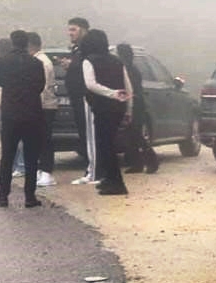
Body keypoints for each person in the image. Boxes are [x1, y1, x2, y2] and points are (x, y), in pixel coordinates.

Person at [0, 30, 46, 208]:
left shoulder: (3, 61)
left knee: (7, 155)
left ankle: (3, 195)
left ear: (12, 42)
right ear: (26, 43)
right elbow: (40, 86)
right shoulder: (36, 63)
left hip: (10, 114)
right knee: (31, 157)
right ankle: (30, 197)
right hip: (32, 114)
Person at [81, 29, 131, 196]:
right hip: (118, 107)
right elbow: (128, 85)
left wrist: (111, 93)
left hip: (102, 106)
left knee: (105, 145)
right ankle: (108, 179)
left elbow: (90, 84)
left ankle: (116, 183)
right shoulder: (117, 61)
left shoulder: (88, 61)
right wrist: (128, 107)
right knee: (108, 143)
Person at [63, 17, 99, 185]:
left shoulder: (89, 49)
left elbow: (88, 70)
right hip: (77, 98)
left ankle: (94, 171)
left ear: (84, 30)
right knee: (84, 135)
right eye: (69, 30)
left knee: (91, 136)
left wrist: (72, 66)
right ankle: (91, 168)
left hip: (87, 98)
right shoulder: (78, 50)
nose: (70, 33)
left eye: (74, 29)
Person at [116, 43, 159, 174]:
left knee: (136, 134)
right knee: (130, 136)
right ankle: (137, 163)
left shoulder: (129, 69)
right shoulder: (128, 68)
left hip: (135, 104)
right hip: (131, 103)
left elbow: (131, 88)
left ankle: (151, 161)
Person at [27, 32, 58, 187]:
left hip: (44, 106)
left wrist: (35, 107)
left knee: (45, 140)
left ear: (30, 45)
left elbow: (42, 88)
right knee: (38, 140)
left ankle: (47, 172)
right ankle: (41, 170)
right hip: (40, 106)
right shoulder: (36, 60)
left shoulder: (42, 62)